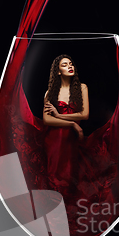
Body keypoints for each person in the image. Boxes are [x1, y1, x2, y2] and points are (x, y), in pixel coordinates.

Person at [42, 54, 89, 193]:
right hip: (54, 140)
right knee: (54, 177)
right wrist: (73, 124)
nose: (69, 67)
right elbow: (47, 120)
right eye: (64, 65)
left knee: (72, 177)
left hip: (72, 140)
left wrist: (58, 115)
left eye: (71, 64)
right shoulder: (49, 93)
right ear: (58, 71)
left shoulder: (82, 88)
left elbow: (85, 115)